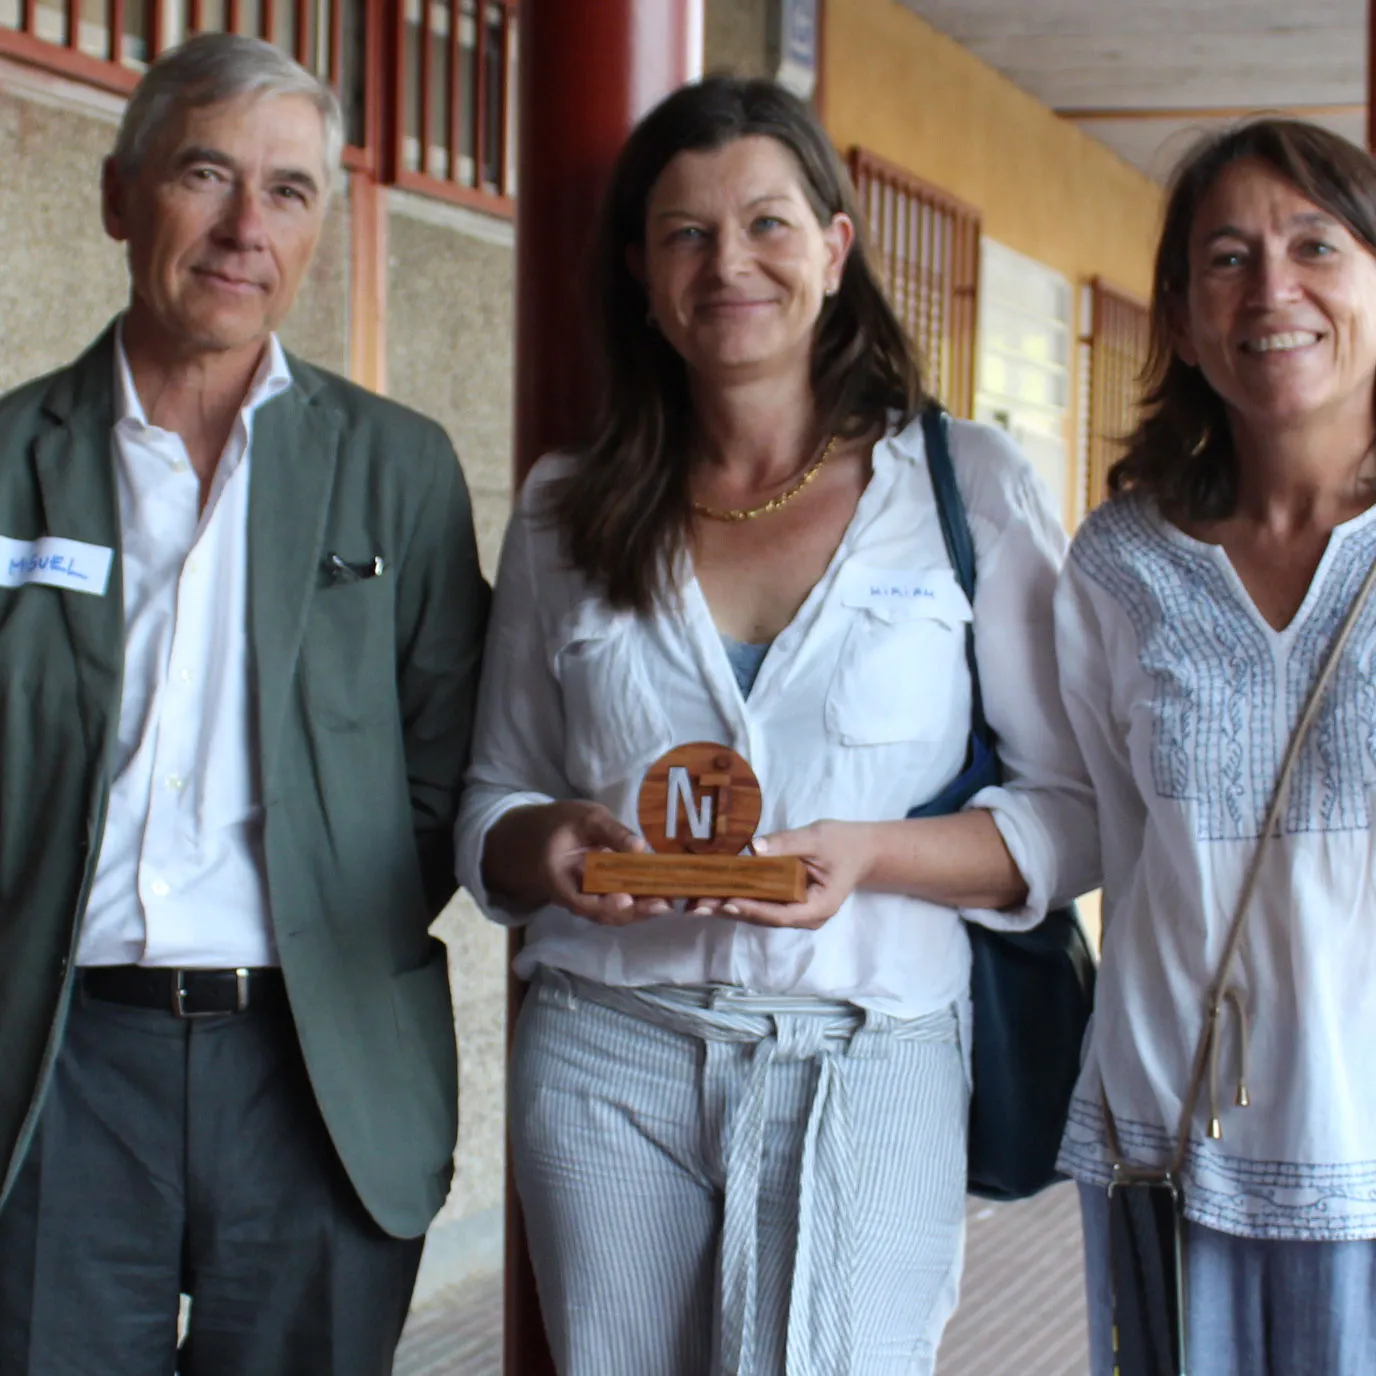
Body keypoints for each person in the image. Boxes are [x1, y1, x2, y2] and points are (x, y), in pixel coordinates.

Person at [456, 76, 1095, 1375]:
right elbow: (490, 803)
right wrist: (556, 847)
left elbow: (1074, 816)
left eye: (766, 224)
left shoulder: (966, 489)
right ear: (641, 269)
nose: (728, 262)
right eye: (686, 232)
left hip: (867, 1053)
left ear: (835, 250)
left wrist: (869, 854)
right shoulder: (565, 509)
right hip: (608, 1053)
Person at [0, 32, 488, 1376]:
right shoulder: (9, 460)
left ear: (321, 224)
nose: (242, 227)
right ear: (118, 196)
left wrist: (338, 928)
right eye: (204, 174)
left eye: (288, 191)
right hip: (54, 1066)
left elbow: (450, 766)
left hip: (315, 1075)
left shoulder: (398, 470)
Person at [1056, 118, 1376, 1374]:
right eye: (1226, 257)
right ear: (1182, 319)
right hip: (1171, 1137)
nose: (1272, 289)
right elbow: (1102, 837)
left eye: (1315, 245)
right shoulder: (1119, 566)